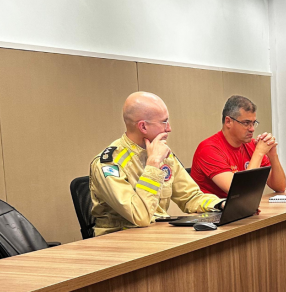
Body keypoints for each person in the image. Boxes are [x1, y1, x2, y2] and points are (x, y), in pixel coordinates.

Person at [89, 92, 223, 236]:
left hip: (156, 234)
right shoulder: (109, 164)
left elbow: (190, 197)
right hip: (118, 241)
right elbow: (139, 216)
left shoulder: (163, 154)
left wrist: (221, 204)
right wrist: (153, 165)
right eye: (164, 122)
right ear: (143, 127)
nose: (169, 128)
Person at [191, 95, 286, 198]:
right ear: (228, 122)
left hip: (240, 210)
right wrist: (259, 153)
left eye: (254, 123)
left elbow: (280, 187)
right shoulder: (208, 149)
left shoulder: (251, 145)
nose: (252, 129)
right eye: (246, 123)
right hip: (214, 212)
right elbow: (242, 191)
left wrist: (273, 156)